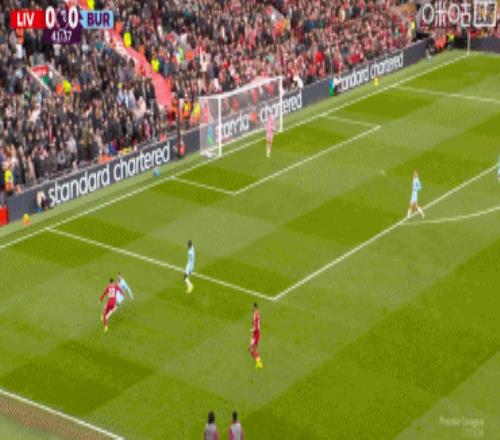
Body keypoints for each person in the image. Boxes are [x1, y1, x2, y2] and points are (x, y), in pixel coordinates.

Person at [248, 303, 263, 369]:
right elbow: (256, 323)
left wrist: (252, 329)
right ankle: (258, 361)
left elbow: (256, 327)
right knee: (250, 349)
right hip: (255, 334)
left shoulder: (256, 315)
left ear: (255, 307)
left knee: (252, 349)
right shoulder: (256, 314)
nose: (252, 308)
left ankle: (259, 363)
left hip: (256, 334)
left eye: (253, 307)